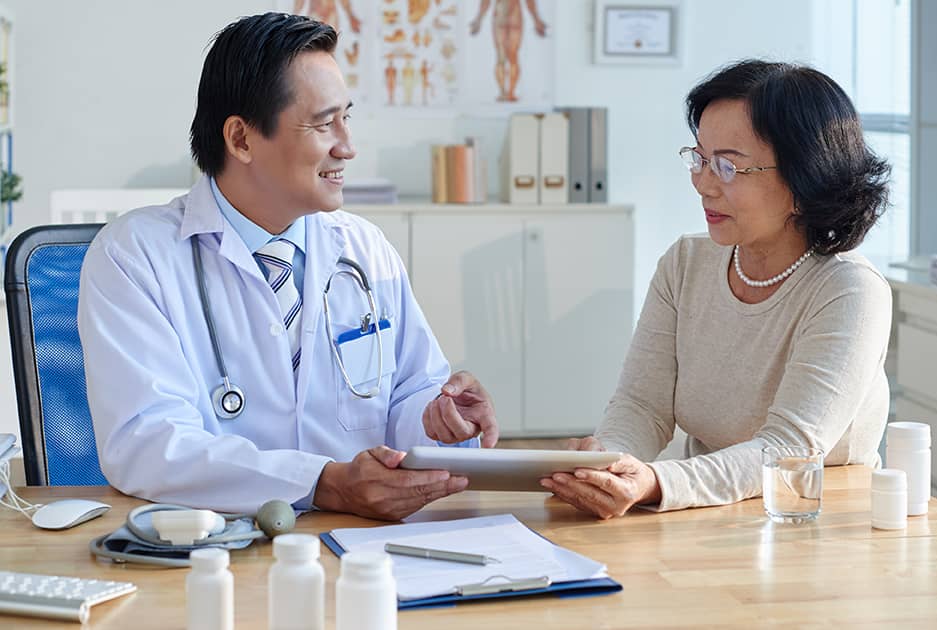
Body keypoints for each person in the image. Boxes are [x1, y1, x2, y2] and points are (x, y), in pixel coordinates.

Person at [78, 13, 498, 521]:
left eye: (347, 117)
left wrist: (441, 419)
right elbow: (148, 444)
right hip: (215, 547)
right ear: (241, 140)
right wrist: (323, 483)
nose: (348, 145)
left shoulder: (365, 248)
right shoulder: (134, 256)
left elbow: (409, 392)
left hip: (369, 546)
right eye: (324, 124)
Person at [541, 60, 893, 519]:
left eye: (728, 166)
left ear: (805, 177)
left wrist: (654, 483)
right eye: (701, 159)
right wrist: (608, 463)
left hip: (817, 523)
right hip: (705, 511)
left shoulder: (850, 291)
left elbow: (787, 450)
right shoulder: (686, 263)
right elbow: (642, 404)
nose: (703, 184)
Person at [468, 0, 547, 102]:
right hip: (511, 15)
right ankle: (508, 93)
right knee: (509, 57)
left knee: (506, 57)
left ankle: (506, 92)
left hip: (505, 15)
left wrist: (478, 19)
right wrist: (536, 20)